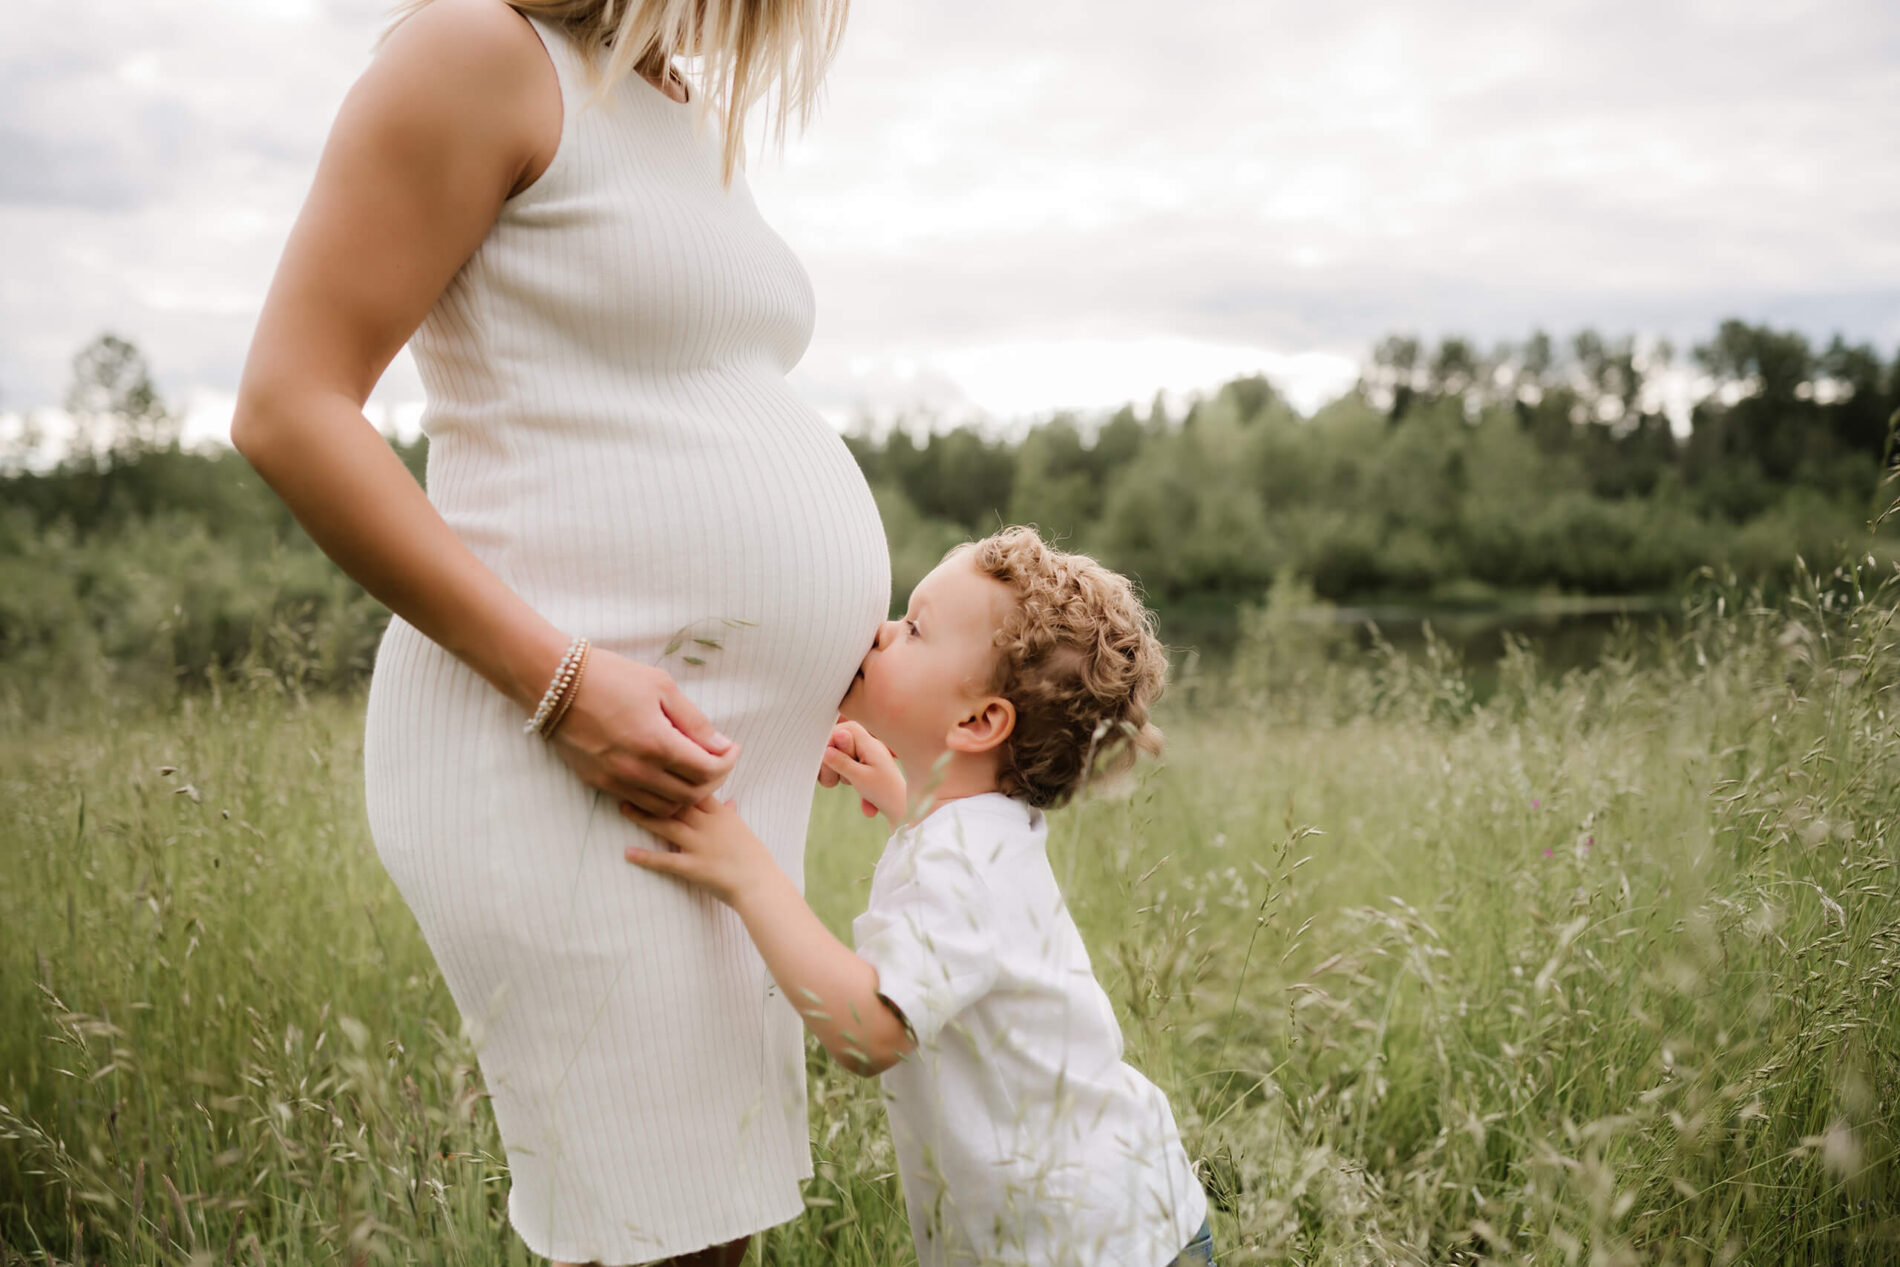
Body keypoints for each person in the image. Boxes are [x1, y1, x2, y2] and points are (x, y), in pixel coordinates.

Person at [228, 1, 885, 1263]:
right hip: (556, 748)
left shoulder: (664, 97)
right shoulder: (475, 51)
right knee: (656, 1233)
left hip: (700, 768)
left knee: (701, 1227)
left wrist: (816, 661)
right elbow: (288, 406)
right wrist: (565, 687)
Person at [623, 527, 1219, 1267]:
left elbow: (867, 1031)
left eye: (912, 627)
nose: (879, 633)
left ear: (977, 722)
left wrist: (749, 872)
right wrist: (903, 795)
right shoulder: (979, 830)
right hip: (1120, 1222)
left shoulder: (966, 860)